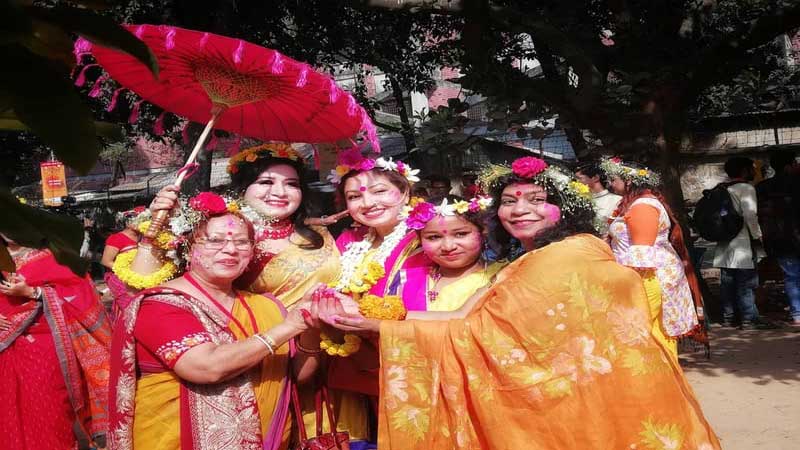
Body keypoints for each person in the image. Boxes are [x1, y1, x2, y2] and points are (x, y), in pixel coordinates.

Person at [315, 156, 721, 449]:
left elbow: (483, 334)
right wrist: (373, 320)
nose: (520, 209)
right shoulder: (526, 260)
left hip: (581, 404)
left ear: (565, 209)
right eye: (509, 200)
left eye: (535, 198)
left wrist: (381, 328)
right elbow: (461, 316)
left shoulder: (568, 255)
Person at [127, 144, 364, 444]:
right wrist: (158, 222)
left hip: (315, 356)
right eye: (266, 182)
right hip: (239, 360)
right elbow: (146, 289)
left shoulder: (320, 235)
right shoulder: (213, 231)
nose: (230, 249)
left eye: (291, 184)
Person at [107, 192, 319, 450]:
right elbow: (206, 367)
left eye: (242, 242)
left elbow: (297, 375)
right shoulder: (160, 304)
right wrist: (289, 328)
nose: (230, 249)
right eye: (215, 240)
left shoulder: (266, 306)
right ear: (187, 248)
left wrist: (310, 324)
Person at [0, 235, 112, 450]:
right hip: (6, 348)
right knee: (7, 412)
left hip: (47, 348)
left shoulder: (55, 255)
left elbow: (82, 296)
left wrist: (34, 293)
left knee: (49, 409)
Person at [601, 157, 704, 358]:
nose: (610, 184)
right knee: (652, 332)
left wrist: (627, 286)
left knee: (648, 331)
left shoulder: (643, 206)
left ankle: (662, 379)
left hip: (649, 277)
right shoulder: (635, 204)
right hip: (646, 274)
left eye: (613, 179)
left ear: (629, 181)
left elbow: (642, 252)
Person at [399, 195, 506, 314]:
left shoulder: (503, 276)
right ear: (420, 240)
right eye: (434, 237)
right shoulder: (407, 278)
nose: (448, 247)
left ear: (483, 232)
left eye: (460, 234)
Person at [712, 157, 768, 329]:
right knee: (746, 283)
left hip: (723, 244)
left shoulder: (720, 189)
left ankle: (729, 318)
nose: (754, 171)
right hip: (743, 244)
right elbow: (750, 215)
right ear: (744, 171)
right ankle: (748, 319)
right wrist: (758, 236)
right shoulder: (746, 188)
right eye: (752, 168)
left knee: (727, 283)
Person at [757, 150, 800, 326]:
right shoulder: (798, 183)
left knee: (791, 276)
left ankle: (797, 315)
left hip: (777, 239)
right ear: (789, 166)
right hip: (794, 235)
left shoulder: (762, 187)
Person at [103, 206, 145, 323]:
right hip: (120, 277)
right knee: (130, 308)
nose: (140, 223)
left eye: (142, 220)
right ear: (127, 222)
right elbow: (106, 261)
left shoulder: (144, 237)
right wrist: (127, 273)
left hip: (140, 277)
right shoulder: (116, 238)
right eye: (137, 220)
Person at [575, 160, 621, 236]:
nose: (577, 182)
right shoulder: (580, 201)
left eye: (580, 178)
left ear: (595, 178)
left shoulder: (616, 200)